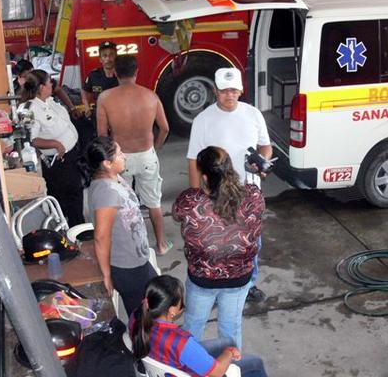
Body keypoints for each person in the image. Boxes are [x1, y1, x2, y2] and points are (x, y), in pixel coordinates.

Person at [186, 67, 272, 302]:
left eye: (234, 90)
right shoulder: (203, 120)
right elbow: (193, 159)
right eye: (224, 91)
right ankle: (215, 283)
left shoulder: (253, 114)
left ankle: (249, 282)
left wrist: (262, 162)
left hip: (247, 192)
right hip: (216, 193)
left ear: (241, 90)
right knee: (217, 241)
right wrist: (196, 196)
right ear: (215, 91)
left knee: (251, 242)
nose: (229, 95)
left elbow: (265, 145)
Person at [173, 146, 265, 350]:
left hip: (202, 279)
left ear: (204, 177)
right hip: (239, 279)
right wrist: (252, 173)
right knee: (231, 329)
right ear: (230, 170)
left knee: (192, 328)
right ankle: (231, 369)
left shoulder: (189, 201)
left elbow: (177, 214)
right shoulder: (254, 196)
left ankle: (189, 369)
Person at [96, 54, 171, 256]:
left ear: (114, 73)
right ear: (136, 72)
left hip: (121, 158)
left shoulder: (105, 98)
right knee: (154, 202)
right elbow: (164, 128)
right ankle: (162, 244)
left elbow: (102, 136)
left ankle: (132, 247)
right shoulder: (151, 96)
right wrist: (155, 146)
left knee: (125, 204)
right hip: (147, 155)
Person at [78, 136, 157, 316]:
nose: (125, 157)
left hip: (137, 260)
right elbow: (101, 236)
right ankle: (144, 344)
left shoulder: (115, 179)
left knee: (152, 309)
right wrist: (106, 275)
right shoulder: (106, 192)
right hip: (127, 267)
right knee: (145, 317)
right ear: (107, 163)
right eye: (120, 154)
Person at [130, 275, 268, 377]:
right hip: (185, 368)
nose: (183, 305)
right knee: (255, 363)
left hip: (164, 359)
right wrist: (229, 352)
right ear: (172, 310)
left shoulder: (136, 316)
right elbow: (217, 372)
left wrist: (228, 347)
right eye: (181, 302)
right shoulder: (182, 342)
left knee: (228, 341)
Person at [17, 69, 84, 226]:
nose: (51, 85)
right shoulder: (27, 110)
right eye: (49, 82)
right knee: (67, 197)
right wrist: (55, 144)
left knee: (76, 193)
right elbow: (31, 140)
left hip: (72, 154)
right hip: (58, 161)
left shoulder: (49, 100)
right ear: (41, 87)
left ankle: (78, 226)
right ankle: (73, 230)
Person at [79, 41, 119, 150]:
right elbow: (84, 91)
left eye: (111, 55)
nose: (108, 58)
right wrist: (87, 107)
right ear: (100, 59)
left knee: (118, 142)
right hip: (99, 114)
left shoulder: (122, 75)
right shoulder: (94, 75)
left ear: (116, 57)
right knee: (102, 143)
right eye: (105, 56)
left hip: (118, 114)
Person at [12, 59, 77, 113]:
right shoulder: (14, 89)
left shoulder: (40, 78)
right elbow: (17, 108)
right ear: (19, 76)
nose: (31, 77)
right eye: (26, 76)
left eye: (32, 73)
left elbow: (58, 90)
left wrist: (72, 108)